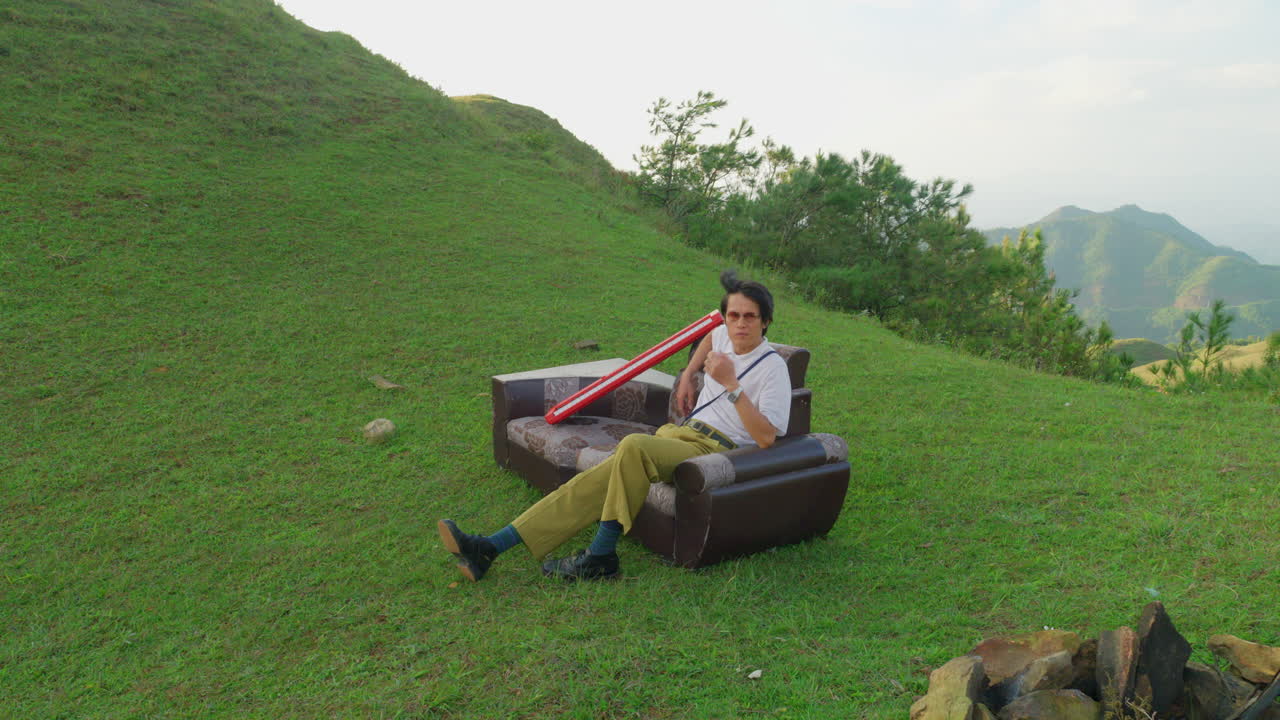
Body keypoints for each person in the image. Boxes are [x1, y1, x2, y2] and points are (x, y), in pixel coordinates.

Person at [438, 270, 792, 582]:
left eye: (751, 316)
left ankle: (601, 556)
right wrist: (687, 375)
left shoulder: (773, 368)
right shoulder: (724, 337)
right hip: (679, 436)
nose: (741, 324)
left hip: (715, 449)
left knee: (634, 446)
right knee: (587, 486)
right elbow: (711, 338)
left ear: (765, 321)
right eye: (734, 315)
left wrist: (731, 386)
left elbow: (766, 437)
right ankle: (489, 547)